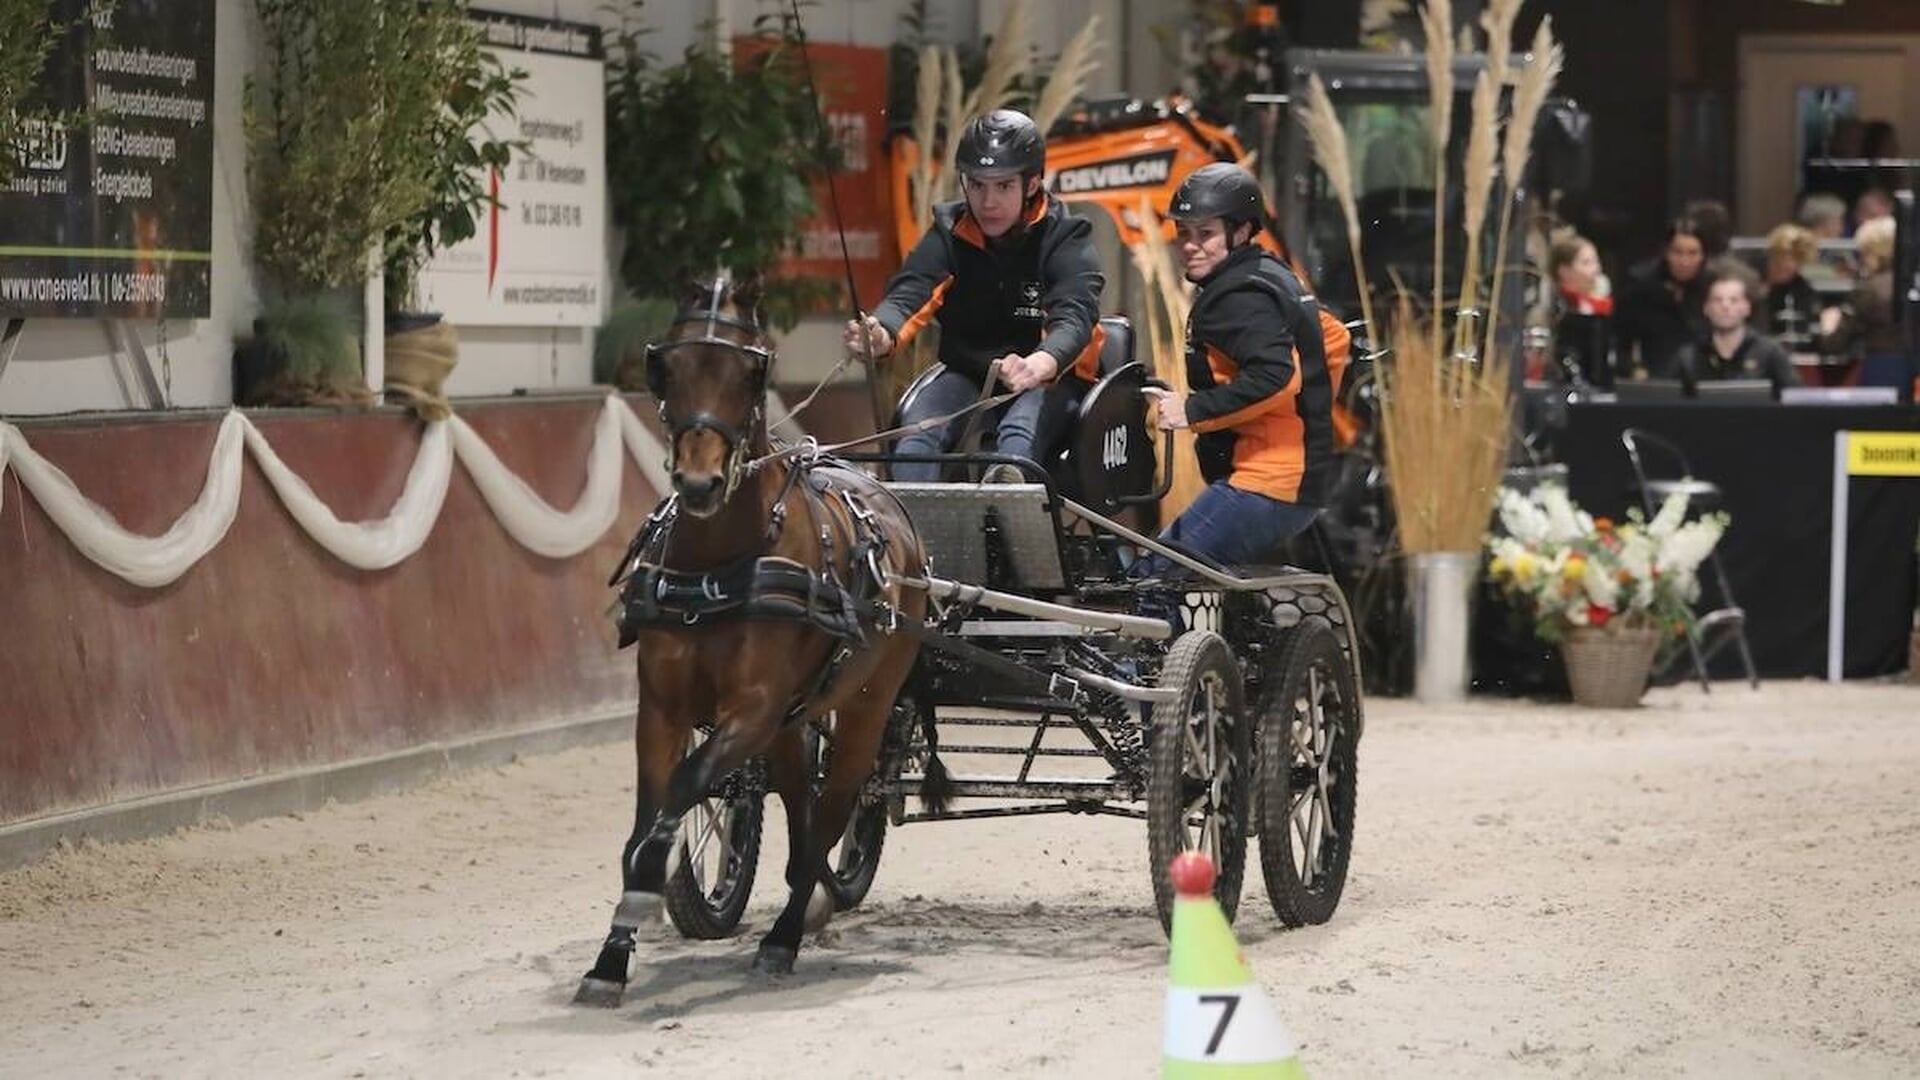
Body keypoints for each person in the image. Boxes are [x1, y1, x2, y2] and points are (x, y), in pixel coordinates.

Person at [845, 109, 1105, 483]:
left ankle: (1016, 541)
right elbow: (910, 293)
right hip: (969, 374)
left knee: (1015, 443)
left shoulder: (1066, 236)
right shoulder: (950, 231)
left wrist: (1039, 363)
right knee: (914, 440)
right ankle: (920, 540)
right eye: (977, 185)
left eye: (1003, 186)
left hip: (1051, 377)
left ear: (1032, 184)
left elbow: (1075, 316)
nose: (987, 202)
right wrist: (881, 333)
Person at [1132, 163, 1341, 577]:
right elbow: (1333, 338)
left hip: (1266, 483)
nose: (1190, 246)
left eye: (1205, 233)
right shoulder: (1270, 273)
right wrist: (1307, 410)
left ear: (1241, 231)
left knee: (1155, 578)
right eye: (1184, 233)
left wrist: (1192, 411)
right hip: (1297, 480)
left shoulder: (1237, 295)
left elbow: (1276, 377)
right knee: (1199, 578)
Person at [1675, 267, 1797, 397]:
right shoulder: (1689, 356)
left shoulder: (1770, 352)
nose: (1725, 306)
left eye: (1734, 300)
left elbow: (1796, 399)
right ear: (1706, 308)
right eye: (1717, 300)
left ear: (1747, 307)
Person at [1614, 217, 1711, 380]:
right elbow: (1618, 341)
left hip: (1703, 379)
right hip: (1654, 379)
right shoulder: (1640, 285)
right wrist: (1633, 370)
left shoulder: (1712, 287)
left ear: (1703, 255)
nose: (1685, 261)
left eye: (1693, 253)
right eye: (1677, 252)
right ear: (1666, 252)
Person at [1547, 231, 1616, 388]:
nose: (1596, 270)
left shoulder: (1601, 307)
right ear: (1564, 270)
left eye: (1596, 262)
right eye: (1586, 263)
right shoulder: (1555, 309)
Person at [1760, 223, 1823, 349]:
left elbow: (1804, 331)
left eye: (1797, 260)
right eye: (1782, 258)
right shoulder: (1750, 279)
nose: (1790, 265)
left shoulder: (1802, 289)